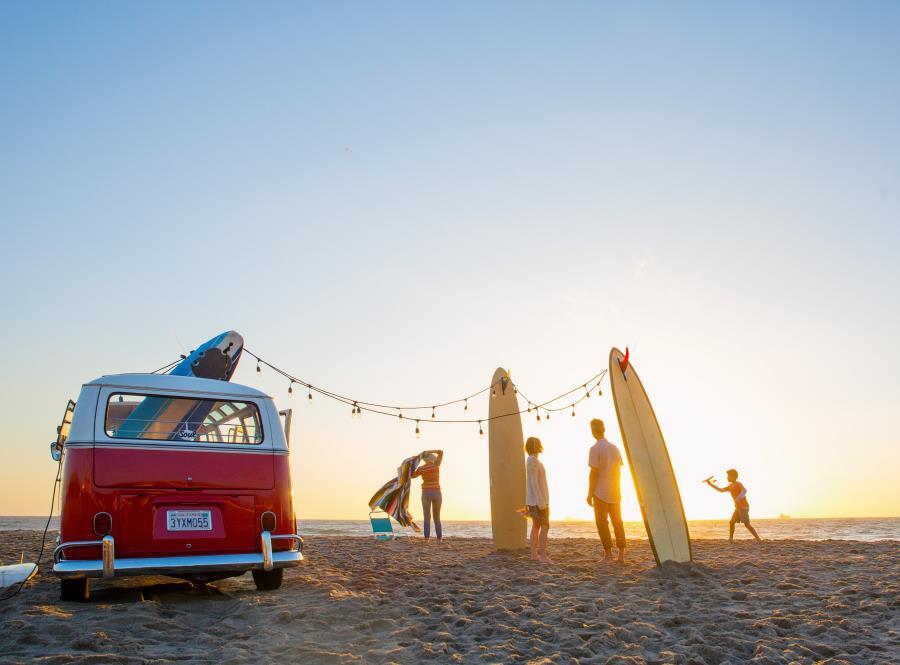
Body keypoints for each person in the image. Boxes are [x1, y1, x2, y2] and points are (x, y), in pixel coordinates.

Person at [586, 419, 626, 563]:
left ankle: (608, 556)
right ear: (604, 429)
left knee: (602, 522)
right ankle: (621, 555)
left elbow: (594, 473)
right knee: (617, 522)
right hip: (615, 490)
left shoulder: (595, 448)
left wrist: (589, 493)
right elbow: (618, 471)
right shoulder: (615, 448)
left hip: (600, 492)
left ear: (592, 431)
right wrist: (618, 488)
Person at [706, 469, 761, 541]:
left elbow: (744, 491)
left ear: (733, 476)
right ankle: (730, 538)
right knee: (731, 522)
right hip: (738, 508)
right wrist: (711, 484)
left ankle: (758, 538)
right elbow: (721, 490)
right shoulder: (730, 486)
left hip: (744, 507)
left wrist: (738, 499)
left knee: (747, 524)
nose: (727, 478)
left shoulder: (738, 483)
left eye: (728, 476)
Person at [525, 437, 552, 563]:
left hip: (537, 500)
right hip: (538, 501)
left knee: (536, 526)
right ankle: (542, 556)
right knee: (544, 526)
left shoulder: (534, 460)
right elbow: (533, 482)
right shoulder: (532, 460)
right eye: (536, 443)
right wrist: (541, 502)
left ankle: (534, 555)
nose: (539, 445)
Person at [413, 450, 443, 541]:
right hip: (437, 493)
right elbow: (440, 452)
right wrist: (429, 451)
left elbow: (412, 476)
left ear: (424, 460)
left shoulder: (421, 468)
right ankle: (439, 538)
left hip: (426, 493)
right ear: (432, 458)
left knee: (427, 516)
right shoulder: (436, 465)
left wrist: (417, 459)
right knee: (437, 517)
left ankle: (427, 539)